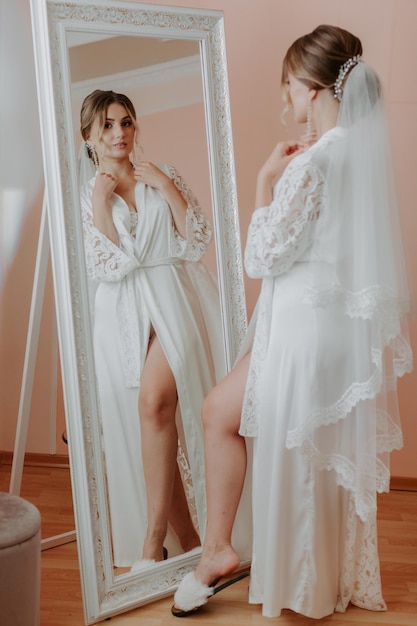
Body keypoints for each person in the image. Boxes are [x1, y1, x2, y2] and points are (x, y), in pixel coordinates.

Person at [172, 25, 413, 619]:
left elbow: (262, 257)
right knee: (271, 434)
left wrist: (263, 182)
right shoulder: (358, 150)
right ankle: (230, 552)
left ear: (310, 88)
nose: (286, 100)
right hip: (330, 330)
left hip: (303, 332)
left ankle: (261, 570)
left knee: (284, 446)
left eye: (288, 87)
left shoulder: (315, 163)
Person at [78, 89, 227, 568]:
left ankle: (151, 542)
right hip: (122, 313)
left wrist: (166, 186)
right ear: (89, 137)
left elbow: (197, 240)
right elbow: (107, 266)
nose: (119, 133)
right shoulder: (85, 196)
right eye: (107, 126)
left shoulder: (161, 175)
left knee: (154, 402)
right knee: (156, 424)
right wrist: (101, 203)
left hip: (171, 297)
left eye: (126, 122)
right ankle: (191, 542)